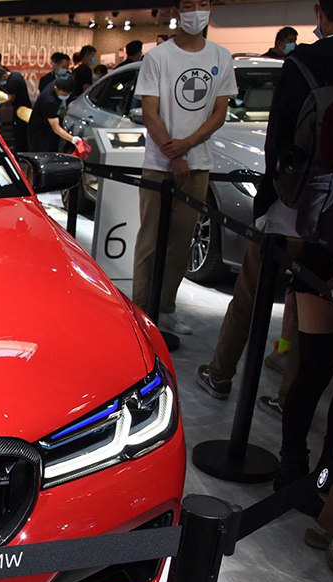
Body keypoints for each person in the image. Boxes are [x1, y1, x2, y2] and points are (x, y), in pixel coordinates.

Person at [269, 1, 333, 494]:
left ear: (321, 11)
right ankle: (327, 481)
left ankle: (293, 469)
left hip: (320, 234)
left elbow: (284, 146)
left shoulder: (309, 66)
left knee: (313, 367)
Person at [132, 0, 236, 336]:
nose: (197, 11)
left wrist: (186, 146)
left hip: (198, 165)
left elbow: (219, 114)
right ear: (177, 12)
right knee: (150, 241)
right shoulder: (158, 58)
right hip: (158, 165)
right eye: (189, 5)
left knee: (181, 242)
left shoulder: (221, 57)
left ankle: (166, 307)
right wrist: (172, 153)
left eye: (202, 4)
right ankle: (140, 309)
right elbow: (150, 112)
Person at [27, 74, 80, 153]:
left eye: (68, 94)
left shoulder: (62, 83)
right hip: (41, 133)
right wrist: (72, 139)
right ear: (56, 88)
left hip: (51, 129)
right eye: (63, 94)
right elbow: (56, 128)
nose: (66, 96)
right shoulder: (49, 100)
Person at [0, 63, 31, 151]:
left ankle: (20, 151)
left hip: (20, 110)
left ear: (4, 76)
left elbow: (11, 98)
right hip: (25, 107)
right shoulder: (16, 75)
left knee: (19, 132)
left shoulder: (12, 81)